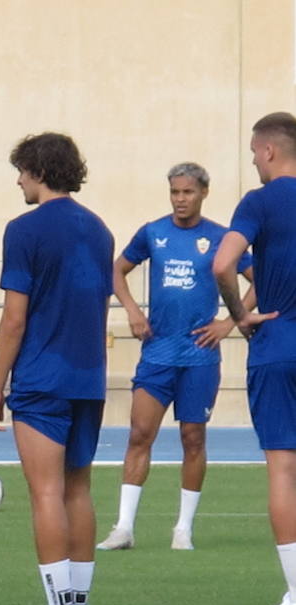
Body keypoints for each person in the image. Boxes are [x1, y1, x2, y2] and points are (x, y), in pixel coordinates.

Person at [0, 132, 114, 605]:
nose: (18, 179)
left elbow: (14, 318)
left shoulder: (24, 229)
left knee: (46, 493)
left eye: (21, 170)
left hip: (42, 376)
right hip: (88, 376)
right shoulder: (100, 229)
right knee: (78, 489)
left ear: (38, 170)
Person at [98, 163, 254, 552]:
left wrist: (229, 322)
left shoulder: (220, 238)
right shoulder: (153, 233)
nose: (180, 199)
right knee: (139, 434)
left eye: (187, 192)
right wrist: (133, 311)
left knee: (193, 437)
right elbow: (116, 270)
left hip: (200, 357)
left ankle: (183, 528)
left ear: (203, 193)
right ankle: (124, 527)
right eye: (174, 192)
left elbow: (261, 277)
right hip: (158, 353)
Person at [214, 112, 296, 605]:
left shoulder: (259, 202)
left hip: (278, 345)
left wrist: (239, 313)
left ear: (267, 151)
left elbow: (223, 263)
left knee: (283, 469)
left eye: (252, 154)